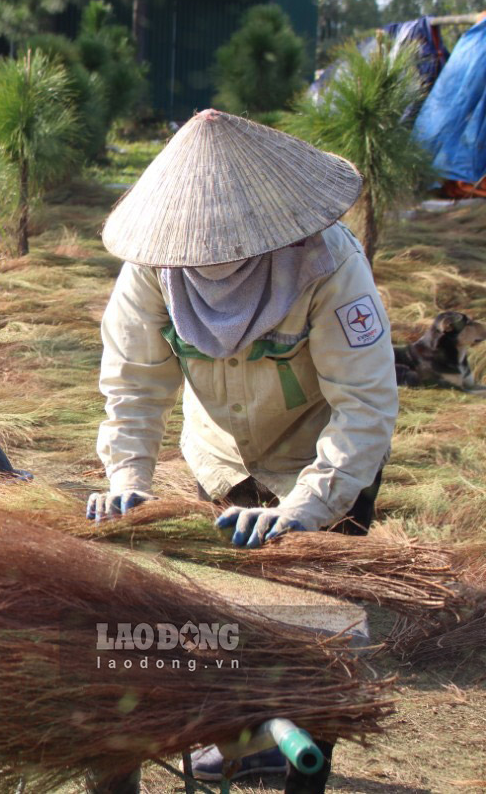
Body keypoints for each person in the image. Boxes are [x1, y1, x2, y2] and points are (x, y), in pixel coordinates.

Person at [87, 109, 399, 788]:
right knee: (225, 620)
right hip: (221, 462)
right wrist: (128, 480)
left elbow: (367, 407)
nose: (203, 257)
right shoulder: (151, 271)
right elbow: (133, 387)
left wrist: (307, 510)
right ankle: (241, 740)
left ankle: (300, 749)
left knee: (313, 641)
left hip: (321, 467)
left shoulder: (327, 265)